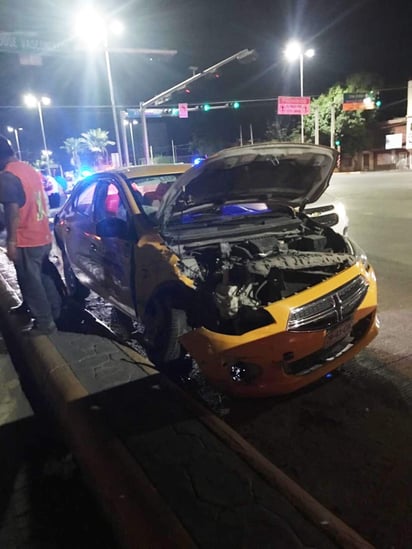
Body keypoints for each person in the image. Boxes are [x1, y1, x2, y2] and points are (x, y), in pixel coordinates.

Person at [0, 136, 62, 336]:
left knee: (31, 282)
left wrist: (11, 241)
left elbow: (12, 212)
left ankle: (45, 324)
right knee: (42, 276)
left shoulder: (8, 176)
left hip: (26, 238)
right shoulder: (28, 169)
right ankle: (54, 311)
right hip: (42, 234)